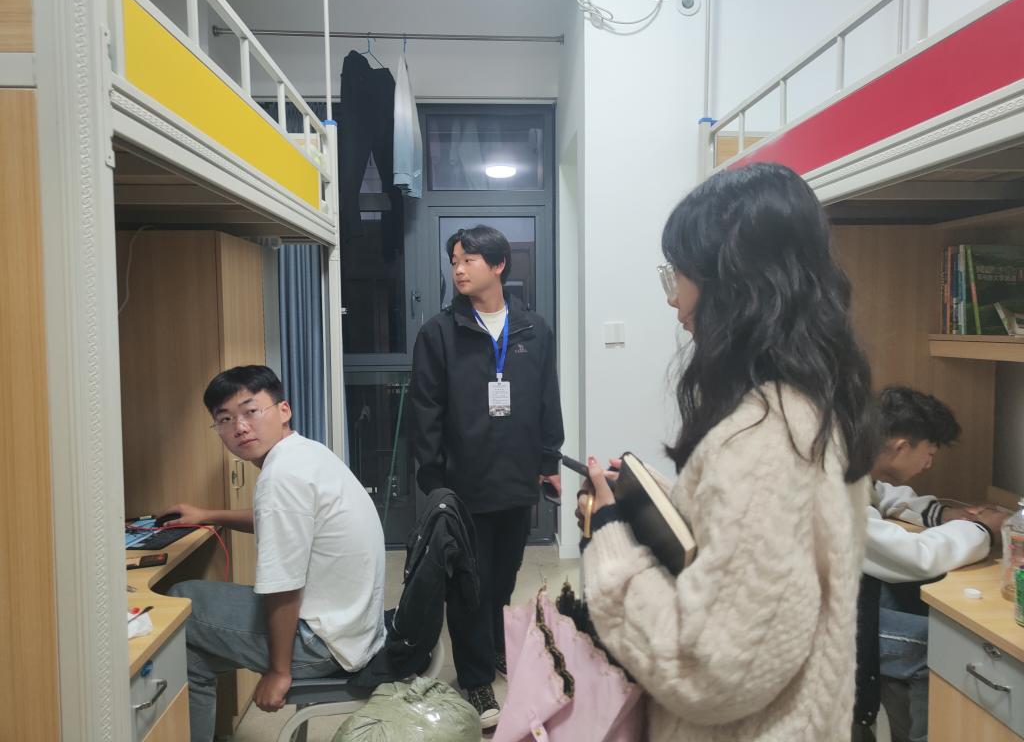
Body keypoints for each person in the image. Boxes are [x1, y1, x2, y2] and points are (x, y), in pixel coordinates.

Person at [576, 162, 878, 741]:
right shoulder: (813, 405)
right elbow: (753, 551)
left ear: (733, 287)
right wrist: (657, 501)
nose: (675, 304)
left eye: (680, 278)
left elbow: (707, 670)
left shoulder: (767, 440)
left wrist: (609, 539)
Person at [161, 365, 386, 742]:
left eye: (251, 411)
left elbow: (283, 585)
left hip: (321, 644)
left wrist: (279, 673)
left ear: (284, 410)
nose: (240, 427)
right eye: (225, 419)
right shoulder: (305, 453)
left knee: (182, 602)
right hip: (356, 630)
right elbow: (280, 517)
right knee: (188, 651)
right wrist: (209, 514)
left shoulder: (281, 476)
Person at [410, 224, 564, 728]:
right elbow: (426, 409)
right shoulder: (440, 333)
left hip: (517, 476)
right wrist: (434, 477)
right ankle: (475, 677)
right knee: (468, 584)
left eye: (469, 260)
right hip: (464, 481)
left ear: (498, 266)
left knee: (503, 575)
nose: (458, 269)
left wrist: (549, 461)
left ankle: (497, 646)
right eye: (454, 260)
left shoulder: (533, 329)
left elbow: (547, 397)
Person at [854, 385, 1007, 742]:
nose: (929, 465)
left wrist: (945, 514)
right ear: (900, 447)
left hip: (841, 592)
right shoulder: (835, 489)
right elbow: (917, 557)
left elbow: (882, 495)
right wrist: (983, 529)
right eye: (929, 453)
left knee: (919, 609)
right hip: (817, 620)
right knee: (936, 644)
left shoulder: (853, 462)